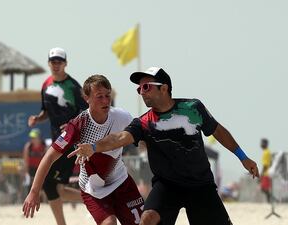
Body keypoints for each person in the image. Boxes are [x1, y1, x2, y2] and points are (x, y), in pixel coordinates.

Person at [68, 67, 259, 225]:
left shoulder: (192, 108)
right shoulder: (143, 122)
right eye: (140, 89)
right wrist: (93, 147)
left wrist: (243, 157)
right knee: (148, 219)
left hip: (200, 185)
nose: (142, 92)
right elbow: (119, 137)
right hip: (167, 186)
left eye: (147, 87)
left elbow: (218, 131)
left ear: (164, 88)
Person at [23, 75, 144, 225]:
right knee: (109, 223)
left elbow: (143, 139)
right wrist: (34, 192)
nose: (106, 100)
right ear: (87, 98)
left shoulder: (122, 116)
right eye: (99, 96)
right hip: (93, 190)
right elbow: (48, 157)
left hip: (121, 182)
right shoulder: (78, 124)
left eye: (108, 95)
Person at [27, 47, 88, 225]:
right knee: (56, 189)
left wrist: (71, 125)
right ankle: (94, 200)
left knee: (48, 184)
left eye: (59, 61)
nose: (56, 64)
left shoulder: (74, 87)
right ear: (49, 63)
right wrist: (37, 118)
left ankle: (94, 201)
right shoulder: (46, 84)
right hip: (56, 141)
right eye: (53, 61)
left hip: (71, 142)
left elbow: (86, 113)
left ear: (65, 64)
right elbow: (45, 111)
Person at [260, 138, 272, 203]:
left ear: (265, 144)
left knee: (264, 188)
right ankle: (269, 201)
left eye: (262, 143)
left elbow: (265, 165)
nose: (261, 144)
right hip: (268, 173)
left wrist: (261, 174)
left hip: (266, 173)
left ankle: (270, 200)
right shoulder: (267, 151)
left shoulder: (266, 152)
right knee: (265, 188)